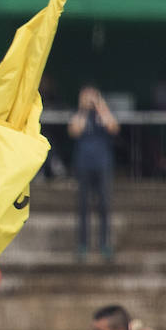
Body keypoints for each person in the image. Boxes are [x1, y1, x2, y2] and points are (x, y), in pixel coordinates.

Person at [69, 84, 120, 262]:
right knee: (83, 206)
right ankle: (83, 244)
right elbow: (74, 130)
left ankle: (104, 244)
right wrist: (83, 108)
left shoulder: (103, 114)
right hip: (84, 164)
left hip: (103, 164)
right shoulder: (79, 114)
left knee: (104, 205)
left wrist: (100, 105)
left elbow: (113, 127)